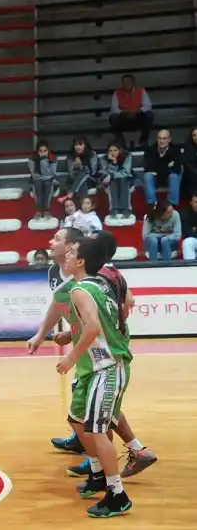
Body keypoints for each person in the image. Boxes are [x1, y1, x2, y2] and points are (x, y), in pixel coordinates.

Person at [28, 228, 156, 479]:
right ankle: (97, 449)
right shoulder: (58, 271)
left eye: (58, 239)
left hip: (102, 345)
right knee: (88, 405)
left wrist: (103, 328)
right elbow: (59, 302)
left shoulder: (101, 272)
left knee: (96, 403)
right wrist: (49, 333)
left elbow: (127, 301)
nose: (50, 242)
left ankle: (110, 461)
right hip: (88, 339)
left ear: (73, 248)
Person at [55, 237, 133, 517]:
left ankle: (117, 494)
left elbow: (93, 328)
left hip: (108, 365)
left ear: (81, 261)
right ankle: (104, 479)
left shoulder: (79, 291)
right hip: (107, 362)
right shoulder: (99, 284)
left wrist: (70, 356)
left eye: (72, 251)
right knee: (85, 425)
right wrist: (71, 334)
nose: (66, 253)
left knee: (97, 432)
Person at [109, 73, 153, 148]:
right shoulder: (117, 93)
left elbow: (148, 106)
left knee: (149, 115)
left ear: (133, 83)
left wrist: (137, 111)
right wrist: (125, 112)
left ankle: (143, 140)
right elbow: (114, 109)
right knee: (113, 117)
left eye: (128, 82)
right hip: (124, 117)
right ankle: (120, 140)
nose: (126, 84)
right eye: (124, 82)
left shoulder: (141, 91)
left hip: (138, 116)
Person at [142, 128, 181, 206]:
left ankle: (171, 205)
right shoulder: (150, 150)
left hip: (168, 179)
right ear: (157, 139)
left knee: (174, 176)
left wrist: (158, 170)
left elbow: (177, 169)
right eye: (159, 138)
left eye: (164, 138)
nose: (162, 141)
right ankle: (152, 204)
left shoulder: (176, 150)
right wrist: (167, 167)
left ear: (169, 139)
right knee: (147, 176)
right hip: (155, 179)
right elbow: (147, 168)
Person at [99, 142, 133, 219]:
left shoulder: (127, 156)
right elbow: (105, 173)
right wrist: (113, 163)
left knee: (122, 179)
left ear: (120, 151)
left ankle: (125, 209)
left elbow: (126, 172)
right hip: (108, 181)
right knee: (113, 181)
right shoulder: (104, 158)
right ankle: (114, 209)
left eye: (115, 150)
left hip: (126, 178)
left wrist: (112, 175)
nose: (112, 153)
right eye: (110, 150)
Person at [28, 141, 58, 219]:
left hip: (50, 181)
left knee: (48, 184)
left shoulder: (52, 158)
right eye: (41, 151)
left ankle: (46, 210)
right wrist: (42, 161)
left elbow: (53, 173)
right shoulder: (32, 159)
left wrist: (44, 162)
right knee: (38, 184)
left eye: (45, 151)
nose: (43, 153)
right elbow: (35, 176)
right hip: (36, 181)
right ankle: (38, 210)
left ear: (48, 151)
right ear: (37, 152)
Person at [182, 194, 197, 261]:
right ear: (191, 203)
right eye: (196, 202)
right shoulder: (184, 214)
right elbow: (187, 233)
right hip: (194, 240)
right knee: (187, 242)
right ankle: (189, 268)